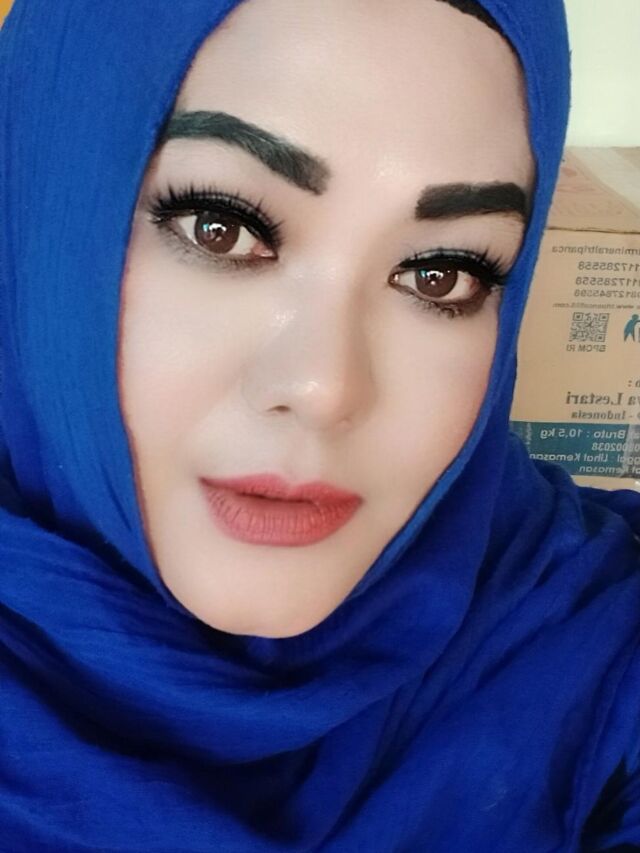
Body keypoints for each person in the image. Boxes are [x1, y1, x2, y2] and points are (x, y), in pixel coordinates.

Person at [0, 0, 638, 850]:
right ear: (40, 219)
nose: (325, 387)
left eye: (442, 274)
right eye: (221, 228)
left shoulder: (590, 645)